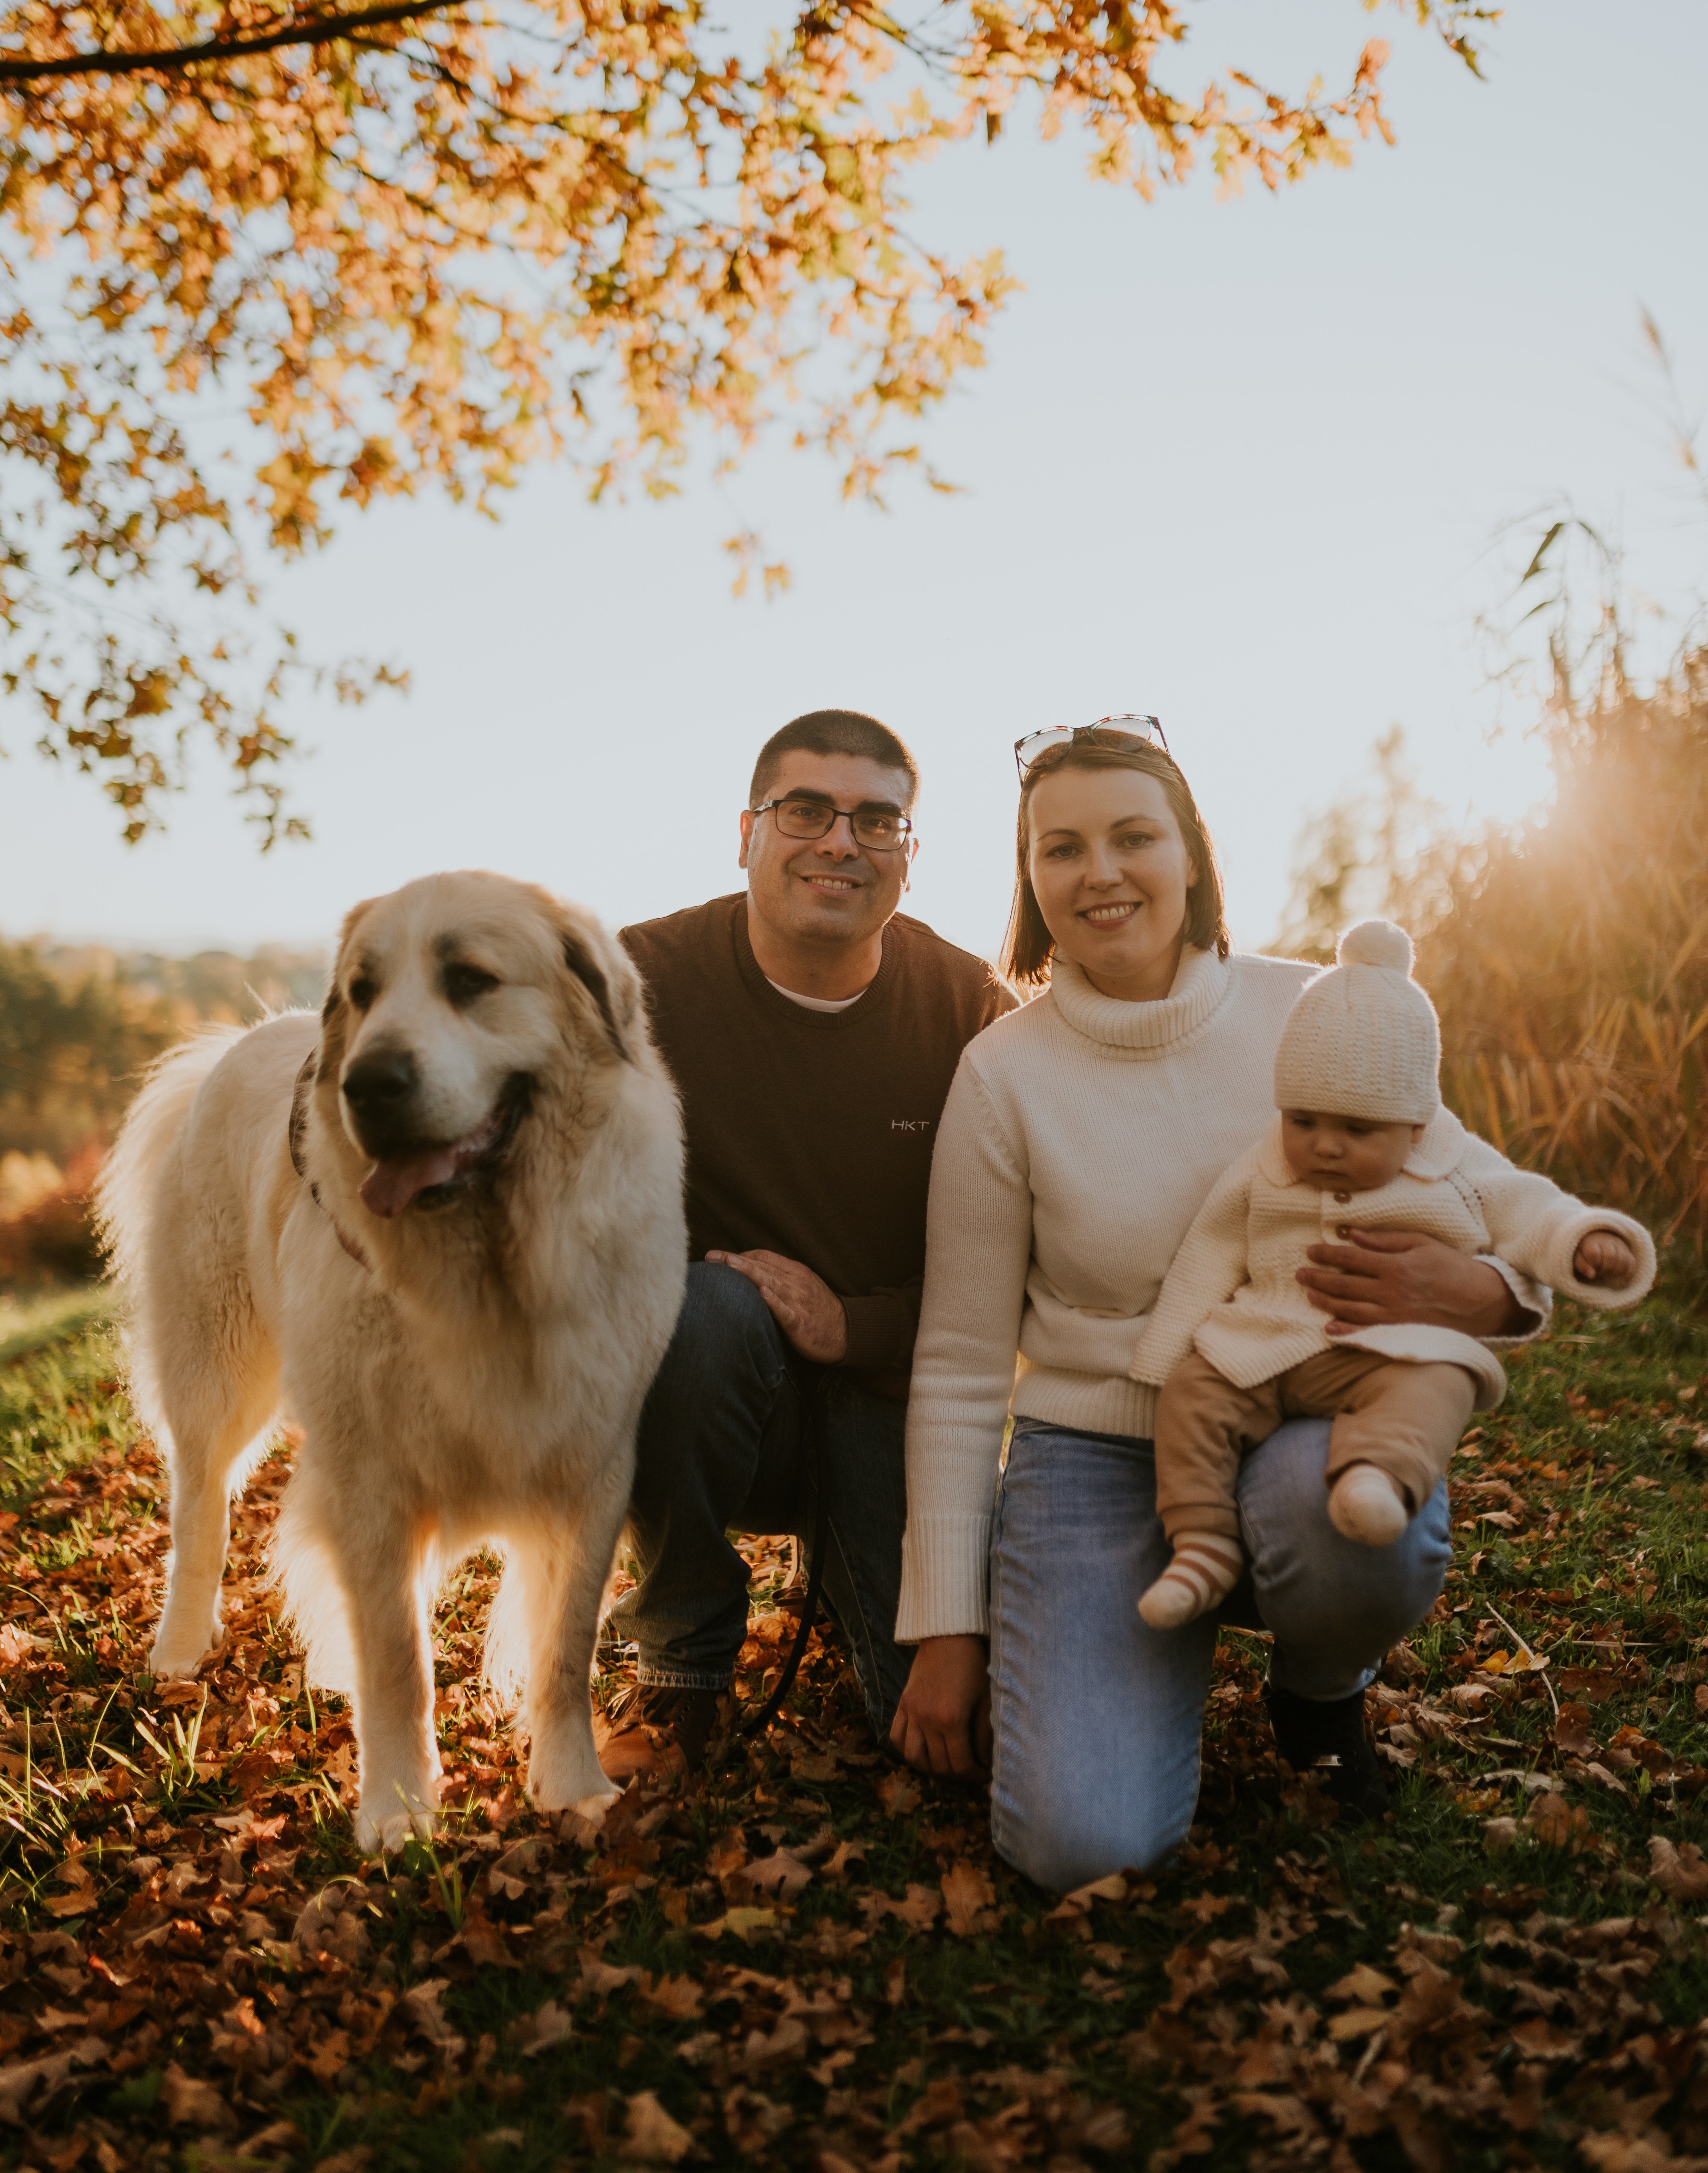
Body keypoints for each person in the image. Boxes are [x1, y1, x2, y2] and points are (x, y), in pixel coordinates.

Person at [887, 720, 1548, 1890]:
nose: (1100, 872)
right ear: (1032, 880)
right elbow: (957, 1365)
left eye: (1134, 836)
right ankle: (1139, 1644)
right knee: (1076, 1850)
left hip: (1298, 1423)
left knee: (1351, 1526)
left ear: (1190, 855)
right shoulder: (1004, 1073)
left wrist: (1485, 1290)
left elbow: (1490, 1199)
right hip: (1089, 1459)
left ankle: (1317, 1682)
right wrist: (949, 1628)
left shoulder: (1319, 1010)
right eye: (1062, 848)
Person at [600, 709, 1015, 1780]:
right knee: (706, 1310)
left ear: (908, 862)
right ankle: (684, 1661)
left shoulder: (970, 1011)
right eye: (805, 811)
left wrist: (851, 1324)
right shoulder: (632, 987)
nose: (840, 841)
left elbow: (1020, 1281)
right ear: (745, 834)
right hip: (711, 1391)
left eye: (878, 821)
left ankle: (838, 1572)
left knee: (953, 1752)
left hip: (895, 1398)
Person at [1132, 917, 1653, 1631]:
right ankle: (1201, 1544)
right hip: (1264, 1346)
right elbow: (1209, 1252)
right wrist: (1167, 1354)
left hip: (1389, 1356)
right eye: (1305, 1120)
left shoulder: (1455, 1165)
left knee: (1440, 1381)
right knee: (1193, 1393)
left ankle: (1376, 1477)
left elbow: (1531, 1209)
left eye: (1356, 1130)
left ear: (1416, 1126)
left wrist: (1584, 1238)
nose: (1325, 1147)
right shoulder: (1263, 1166)